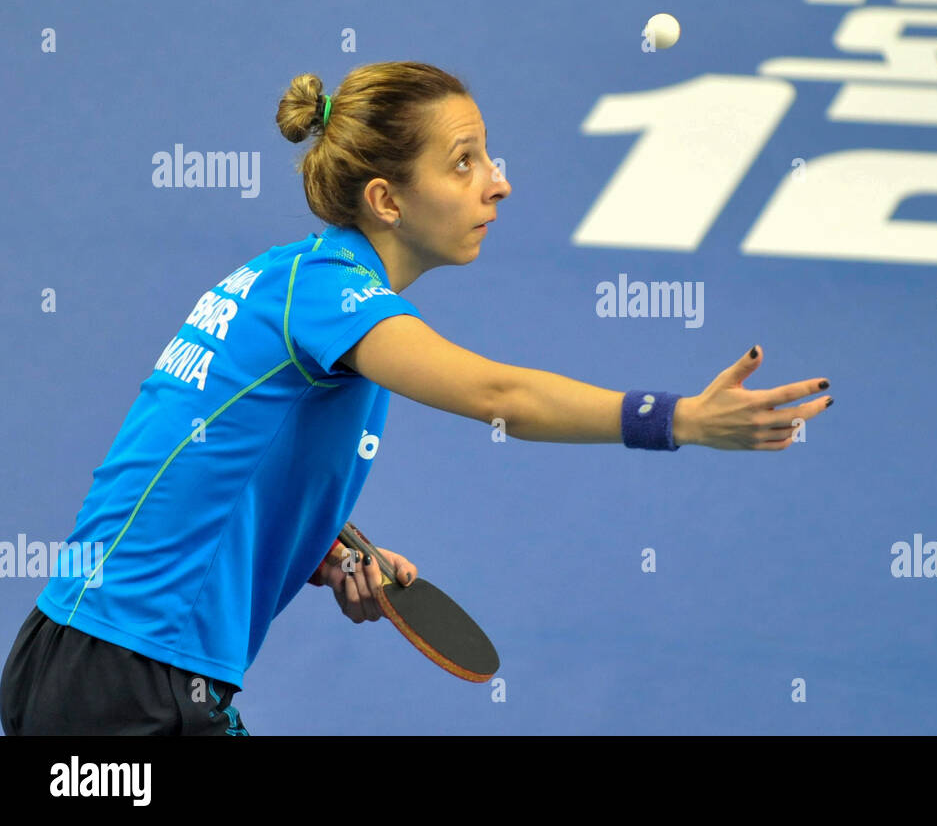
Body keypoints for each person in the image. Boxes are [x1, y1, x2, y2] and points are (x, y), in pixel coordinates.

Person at [0, 60, 833, 736]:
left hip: (95, 654)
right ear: (387, 200)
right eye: (463, 161)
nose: (496, 184)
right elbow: (496, 393)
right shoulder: (330, 295)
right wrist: (678, 418)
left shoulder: (293, 279)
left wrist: (323, 546)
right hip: (123, 679)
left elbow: (209, 450)